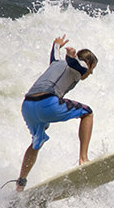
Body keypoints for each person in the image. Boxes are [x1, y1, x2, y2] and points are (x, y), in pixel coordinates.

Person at [15, 34, 98, 192]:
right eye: (92, 69)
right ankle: (83, 159)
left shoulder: (56, 62)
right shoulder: (81, 66)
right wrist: (72, 56)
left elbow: (54, 52)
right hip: (47, 102)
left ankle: (20, 184)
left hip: (27, 105)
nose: (90, 73)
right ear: (88, 63)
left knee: (36, 142)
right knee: (87, 113)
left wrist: (57, 45)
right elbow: (75, 63)